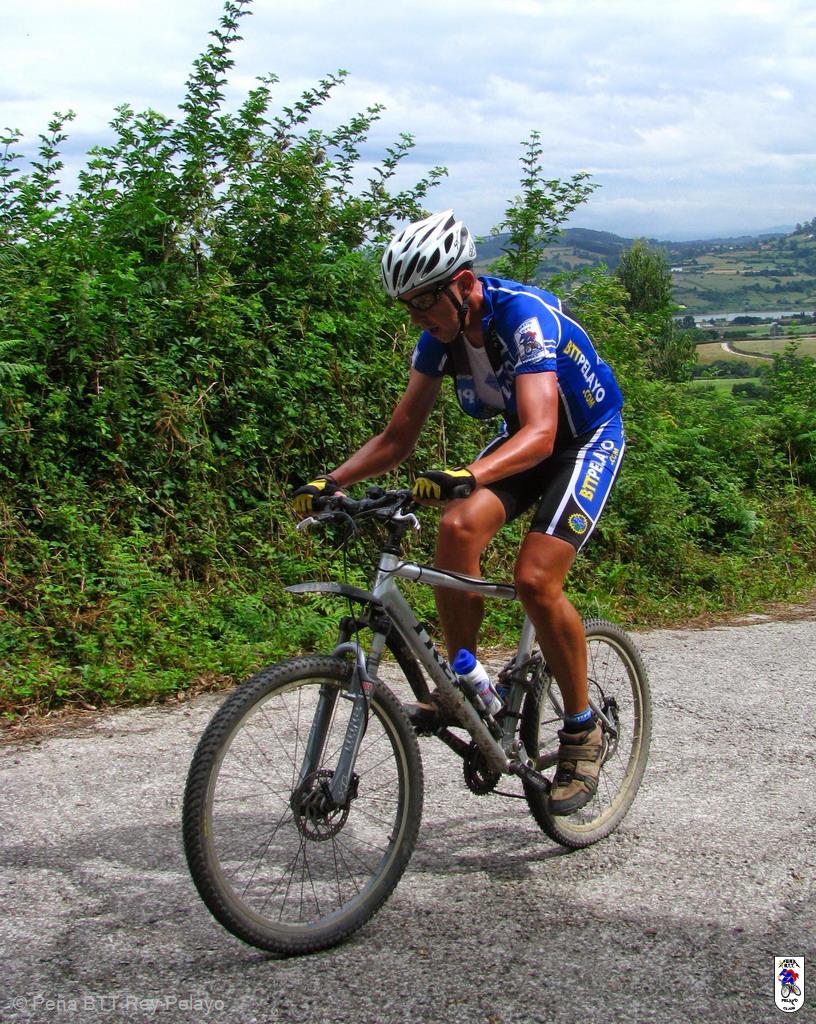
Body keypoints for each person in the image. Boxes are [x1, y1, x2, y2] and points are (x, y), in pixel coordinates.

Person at [292, 209, 625, 815]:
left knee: (535, 579)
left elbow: (543, 432)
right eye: (407, 307)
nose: (416, 317)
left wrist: (469, 474)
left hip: (581, 442)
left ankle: (582, 730)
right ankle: (464, 683)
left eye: (424, 301)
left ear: (464, 284)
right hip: (524, 441)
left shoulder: (523, 318)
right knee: (455, 526)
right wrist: (331, 481)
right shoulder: (439, 339)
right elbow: (398, 437)